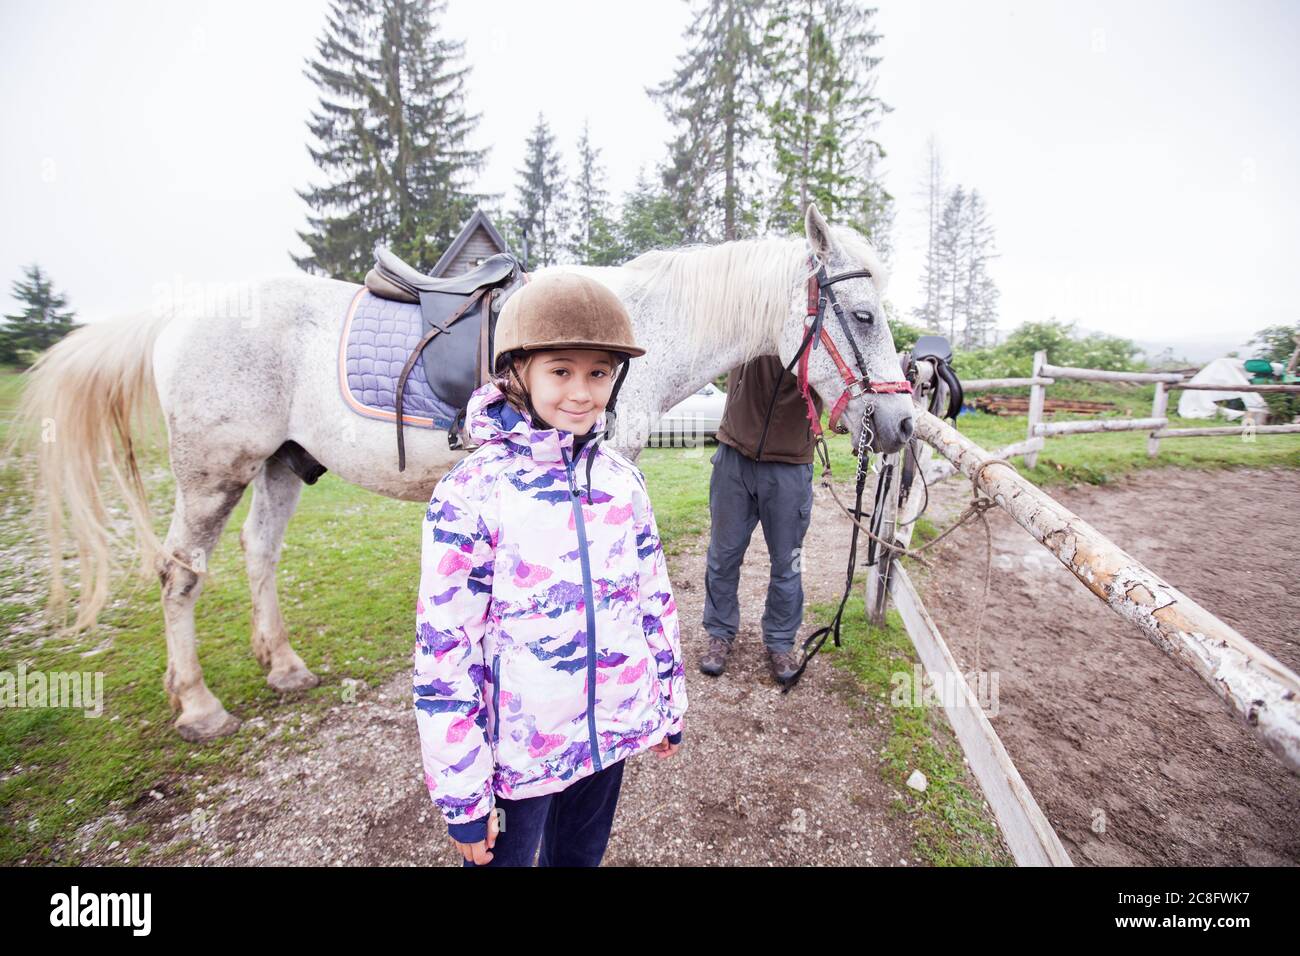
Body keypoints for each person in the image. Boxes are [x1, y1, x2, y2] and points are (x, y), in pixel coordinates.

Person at [414, 272, 687, 867]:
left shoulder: (622, 482)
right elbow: (445, 649)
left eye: (599, 373)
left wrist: (666, 703)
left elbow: (653, 599)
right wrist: (463, 795)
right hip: (516, 760)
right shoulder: (471, 491)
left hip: (607, 739)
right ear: (519, 373)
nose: (582, 392)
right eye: (561, 371)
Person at [701, 354, 824, 685]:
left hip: (791, 466)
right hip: (734, 458)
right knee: (722, 556)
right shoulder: (753, 322)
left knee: (788, 563)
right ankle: (719, 633)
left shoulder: (820, 329)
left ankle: (781, 642)